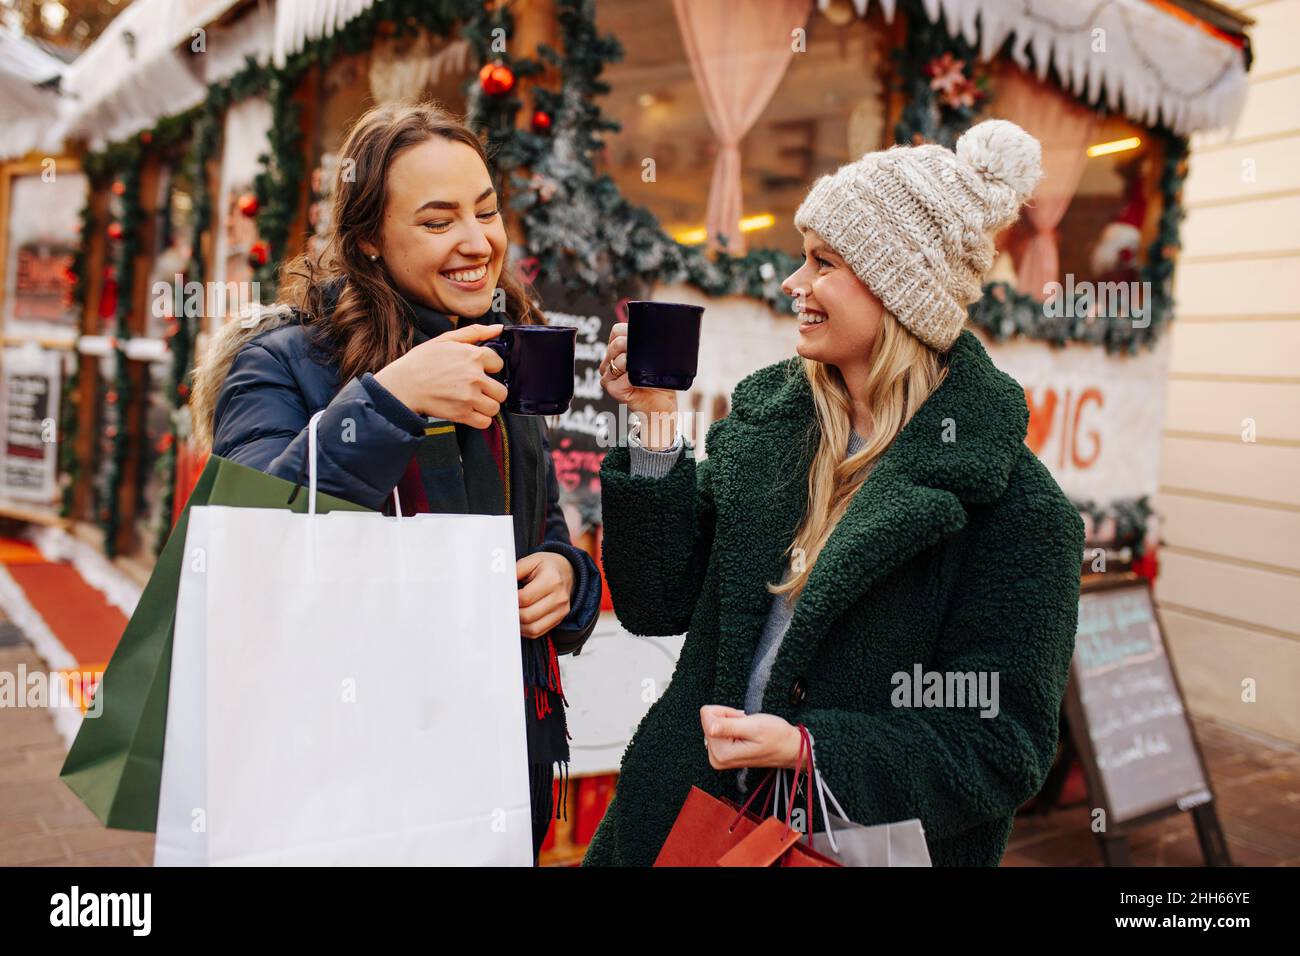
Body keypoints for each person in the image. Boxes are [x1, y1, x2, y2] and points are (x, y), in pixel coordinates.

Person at [584, 120, 1084, 866]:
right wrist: (655, 422)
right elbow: (657, 598)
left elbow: (1000, 745)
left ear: (897, 290)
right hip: (681, 828)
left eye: (823, 263)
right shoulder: (772, 424)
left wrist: (810, 752)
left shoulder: (1017, 511)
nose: (795, 284)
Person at [189, 102, 602, 864]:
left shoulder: (502, 346)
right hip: (345, 768)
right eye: (439, 221)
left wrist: (564, 576)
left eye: (487, 210)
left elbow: (538, 528)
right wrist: (389, 402)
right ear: (370, 238)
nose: (478, 242)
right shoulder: (281, 362)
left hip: (501, 762)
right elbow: (247, 552)